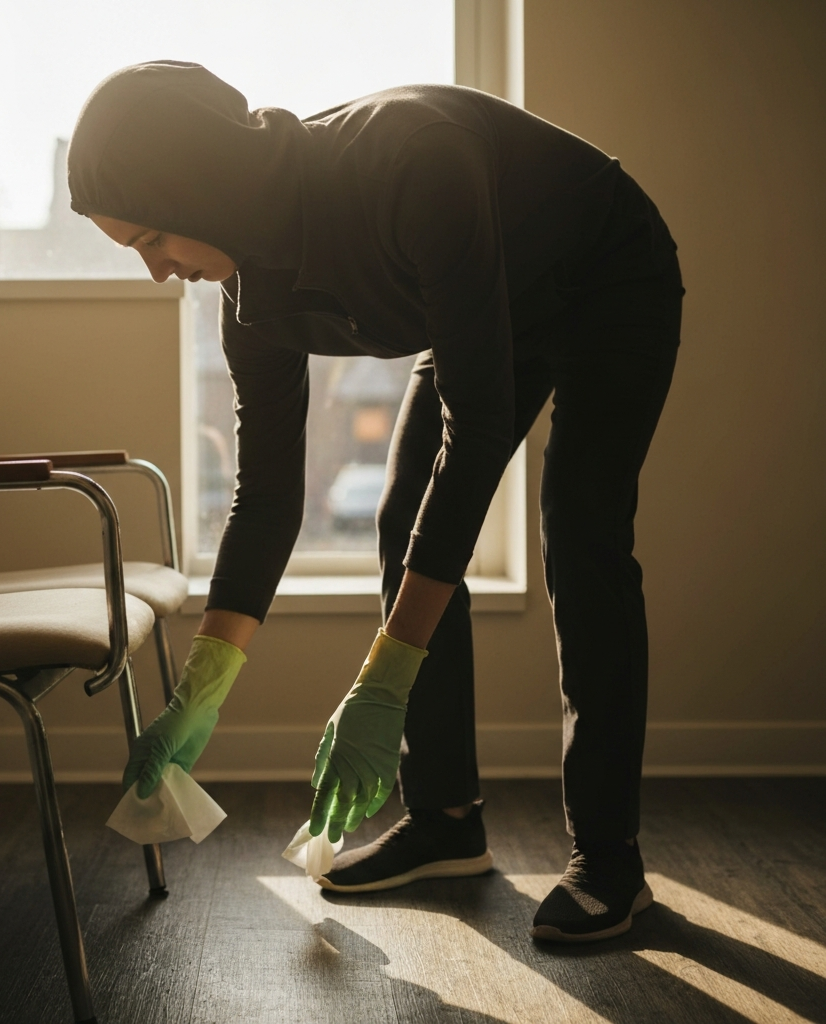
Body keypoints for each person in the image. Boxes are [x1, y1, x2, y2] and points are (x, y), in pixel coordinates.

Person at [67, 61, 683, 943]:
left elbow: (476, 434)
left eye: (152, 240)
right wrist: (201, 688)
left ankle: (611, 863)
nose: (159, 273)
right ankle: (445, 821)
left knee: (580, 533)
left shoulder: (407, 164)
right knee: (403, 522)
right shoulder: (247, 306)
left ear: (201, 183)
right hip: (481, 308)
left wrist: (385, 675)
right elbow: (270, 495)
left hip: (605, 275)